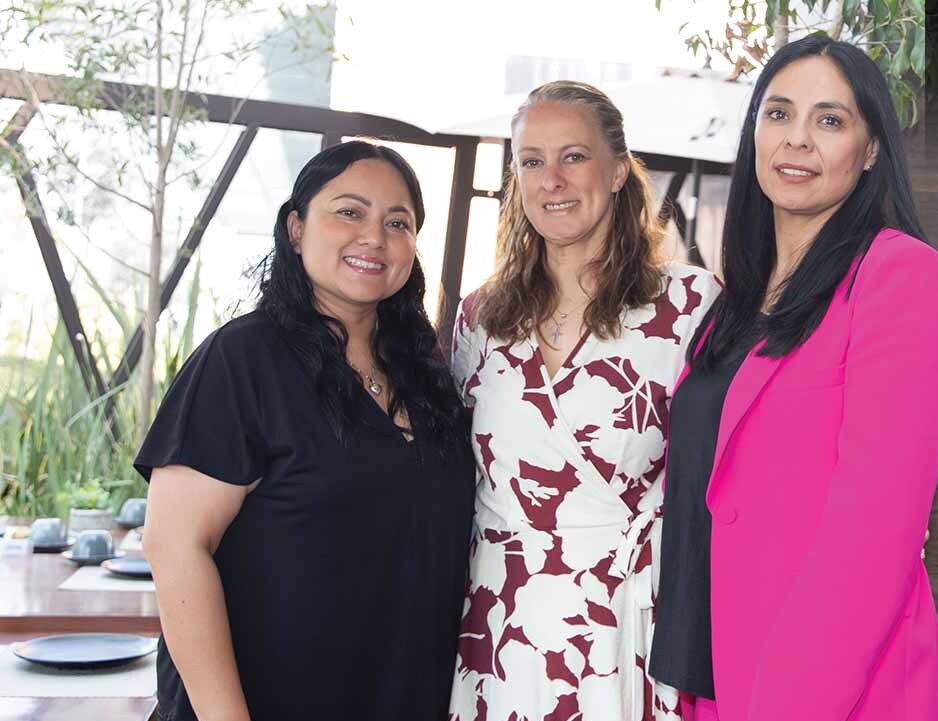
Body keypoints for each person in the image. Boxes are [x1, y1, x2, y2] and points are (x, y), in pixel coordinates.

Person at [648, 35, 938, 721]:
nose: (797, 138)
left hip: (828, 689)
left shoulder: (901, 276)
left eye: (829, 119)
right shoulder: (734, 304)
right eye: (778, 113)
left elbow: (873, 535)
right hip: (712, 673)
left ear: (871, 149)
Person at [137, 141, 474, 721]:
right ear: (296, 229)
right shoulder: (243, 359)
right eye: (349, 212)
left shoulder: (428, 375)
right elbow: (175, 547)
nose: (374, 237)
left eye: (398, 222)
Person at [447, 80, 721, 721]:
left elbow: (723, 475)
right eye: (531, 161)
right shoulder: (480, 316)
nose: (552, 180)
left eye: (573, 156)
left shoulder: (690, 305)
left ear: (619, 170)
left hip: (629, 625)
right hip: (500, 623)